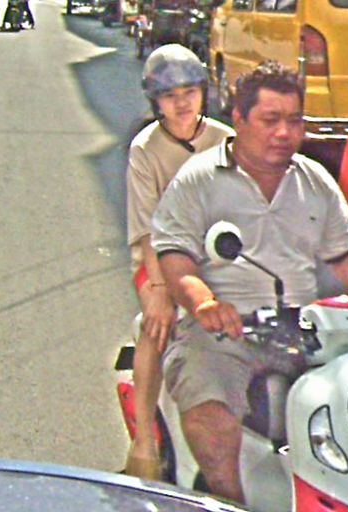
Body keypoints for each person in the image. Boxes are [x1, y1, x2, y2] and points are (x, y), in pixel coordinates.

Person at [150, 60, 348, 503]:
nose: (284, 132)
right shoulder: (199, 179)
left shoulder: (314, 180)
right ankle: (229, 500)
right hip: (225, 331)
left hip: (305, 330)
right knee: (209, 411)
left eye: (294, 120)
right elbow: (175, 259)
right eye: (270, 120)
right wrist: (205, 302)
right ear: (240, 119)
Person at [125, 43, 234, 480]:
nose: (182, 103)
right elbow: (146, 230)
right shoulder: (145, 150)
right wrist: (158, 290)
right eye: (170, 96)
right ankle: (144, 443)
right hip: (158, 262)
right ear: (156, 103)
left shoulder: (225, 140)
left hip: (218, 259)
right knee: (154, 326)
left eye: (189, 92)